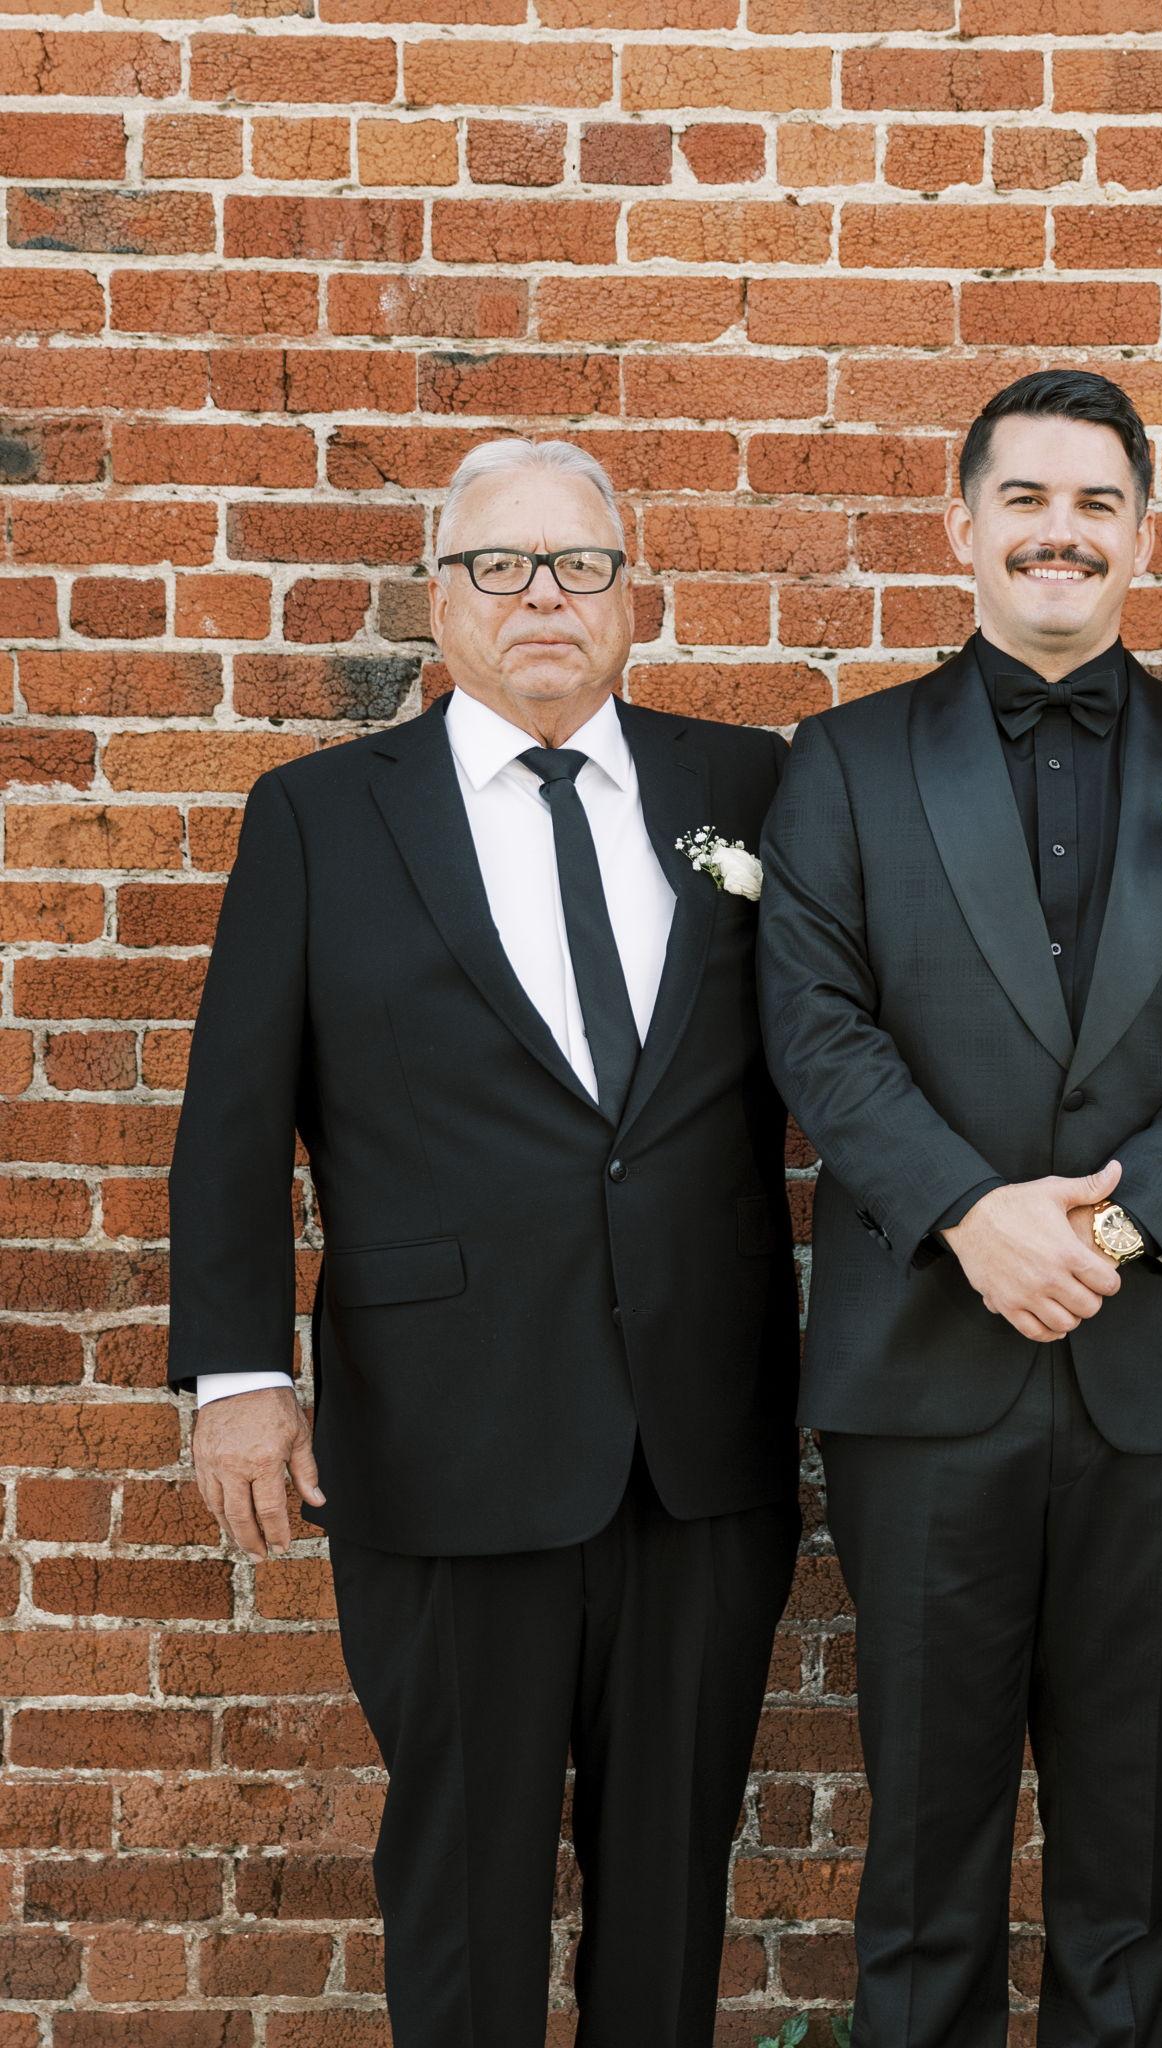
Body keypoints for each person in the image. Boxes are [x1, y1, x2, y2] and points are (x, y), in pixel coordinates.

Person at [168, 438, 799, 2047]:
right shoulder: (320, 816)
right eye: (498, 566)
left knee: (672, 1888)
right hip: (443, 1432)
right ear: (438, 598)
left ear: (632, 595)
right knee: (462, 1886)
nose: (543, 597)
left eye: (579, 564)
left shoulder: (750, 790)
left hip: (698, 1444)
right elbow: (235, 1112)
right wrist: (237, 1376)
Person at [756, 369, 1162, 2048]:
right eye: (1025, 499)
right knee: (924, 1849)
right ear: (962, 527)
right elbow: (816, 1022)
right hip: (925, 1365)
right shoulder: (845, 763)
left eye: (1096, 503)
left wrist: (1113, 1229)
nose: (1059, 533)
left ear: (1143, 536)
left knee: (1126, 1853)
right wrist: (969, 1215)